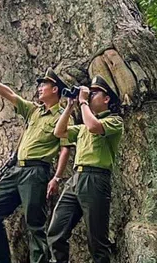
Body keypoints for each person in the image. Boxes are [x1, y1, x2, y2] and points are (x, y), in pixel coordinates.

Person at [0, 67, 73, 263]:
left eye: (45, 85)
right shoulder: (34, 110)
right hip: (16, 169)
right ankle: (1, 260)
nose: (40, 88)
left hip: (36, 172)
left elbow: (65, 149)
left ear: (55, 89)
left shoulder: (62, 116)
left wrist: (57, 178)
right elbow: (10, 94)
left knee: (35, 223)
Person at [47, 75, 123, 263]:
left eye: (94, 93)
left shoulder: (114, 121)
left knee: (97, 241)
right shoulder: (81, 128)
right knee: (55, 232)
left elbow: (94, 127)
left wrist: (82, 102)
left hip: (96, 179)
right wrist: (71, 105)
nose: (90, 96)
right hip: (76, 179)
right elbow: (59, 132)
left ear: (106, 99)